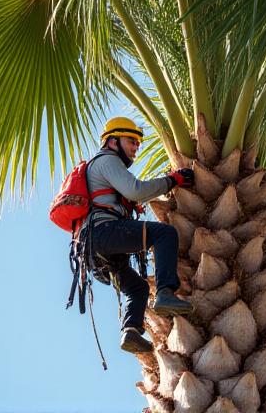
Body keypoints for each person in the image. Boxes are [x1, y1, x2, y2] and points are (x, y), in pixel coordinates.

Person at [85, 116, 194, 354]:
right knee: (164, 235)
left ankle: (130, 332)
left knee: (138, 289)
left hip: (96, 251)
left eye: (138, 143)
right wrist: (172, 180)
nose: (136, 147)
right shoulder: (107, 159)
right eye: (131, 140)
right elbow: (136, 191)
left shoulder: (104, 166)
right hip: (104, 234)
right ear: (113, 142)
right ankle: (165, 292)